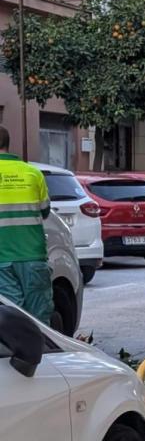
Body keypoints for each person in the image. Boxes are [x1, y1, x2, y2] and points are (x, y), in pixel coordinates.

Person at [0, 126, 53, 324]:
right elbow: (45, 211)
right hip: (33, 255)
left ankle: (20, 354)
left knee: (12, 319)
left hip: (2, 260)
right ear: (7, 144)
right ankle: (44, 354)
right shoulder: (33, 173)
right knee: (40, 319)